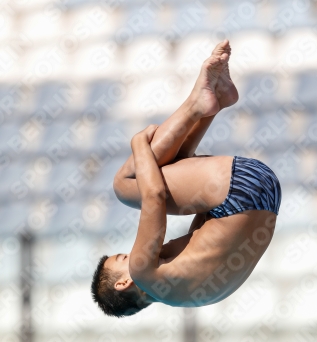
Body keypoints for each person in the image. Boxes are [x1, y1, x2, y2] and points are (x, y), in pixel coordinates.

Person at [91, 40, 281, 317]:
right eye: (122, 258)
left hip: (264, 193)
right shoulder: (143, 272)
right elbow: (154, 195)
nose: (131, 253)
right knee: (125, 184)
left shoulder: (190, 295)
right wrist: (138, 144)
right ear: (124, 282)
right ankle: (199, 102)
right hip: (239, 191)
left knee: (165, 168)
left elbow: (203, 211)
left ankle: (212, 102)